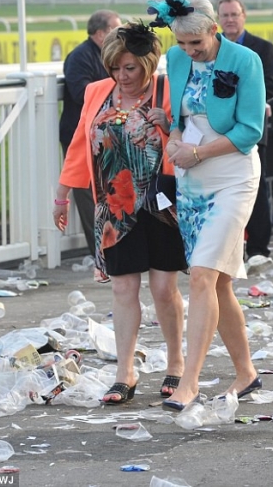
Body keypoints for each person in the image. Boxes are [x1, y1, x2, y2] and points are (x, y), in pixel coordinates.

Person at [53, 22, 187, 404]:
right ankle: (124, 372)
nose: (122, 76)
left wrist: (170, 125)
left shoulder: (168, 89)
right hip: (113, 206)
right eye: (115, 68)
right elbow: (81, 145)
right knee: (122, 287)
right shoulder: (97, 92)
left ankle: (176, 363)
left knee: (164, 289)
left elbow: (193, 136)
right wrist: (62, 194)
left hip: (162, 204)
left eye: (130, 68)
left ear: (148, 64)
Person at [146, 0, 266, 410]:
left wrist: (195, 151)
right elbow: (180, 121)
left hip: (233, 179)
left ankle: (189, 383)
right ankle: (247, 373)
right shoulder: (176, 60)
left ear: (215, 30)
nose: (188, 51)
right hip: (191, 181)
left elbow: (250, 131)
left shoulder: (245, 61)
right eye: (180, 43)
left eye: (196, 43)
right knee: (220, 282)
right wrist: (174, 136)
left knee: (199, 275)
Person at [217, 0, 273, 272]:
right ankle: (230, 247)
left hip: (252, 125)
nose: (229, 19)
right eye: (225, 15)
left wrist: (235, 98)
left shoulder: (262, 48)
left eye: (234, 14)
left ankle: (258, 247)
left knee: (256, 184)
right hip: (219, 127)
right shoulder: (212, 48)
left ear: (244, 16)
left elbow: (270, 86)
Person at [59, 9, 121, 254]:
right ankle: (100, 250)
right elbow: (80, 92)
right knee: (87, 195)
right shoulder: (80, 57)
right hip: (82, 136)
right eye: (115, 30)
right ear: (100, 33)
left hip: (106, 137)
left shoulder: (109, 55)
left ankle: (113, 246)